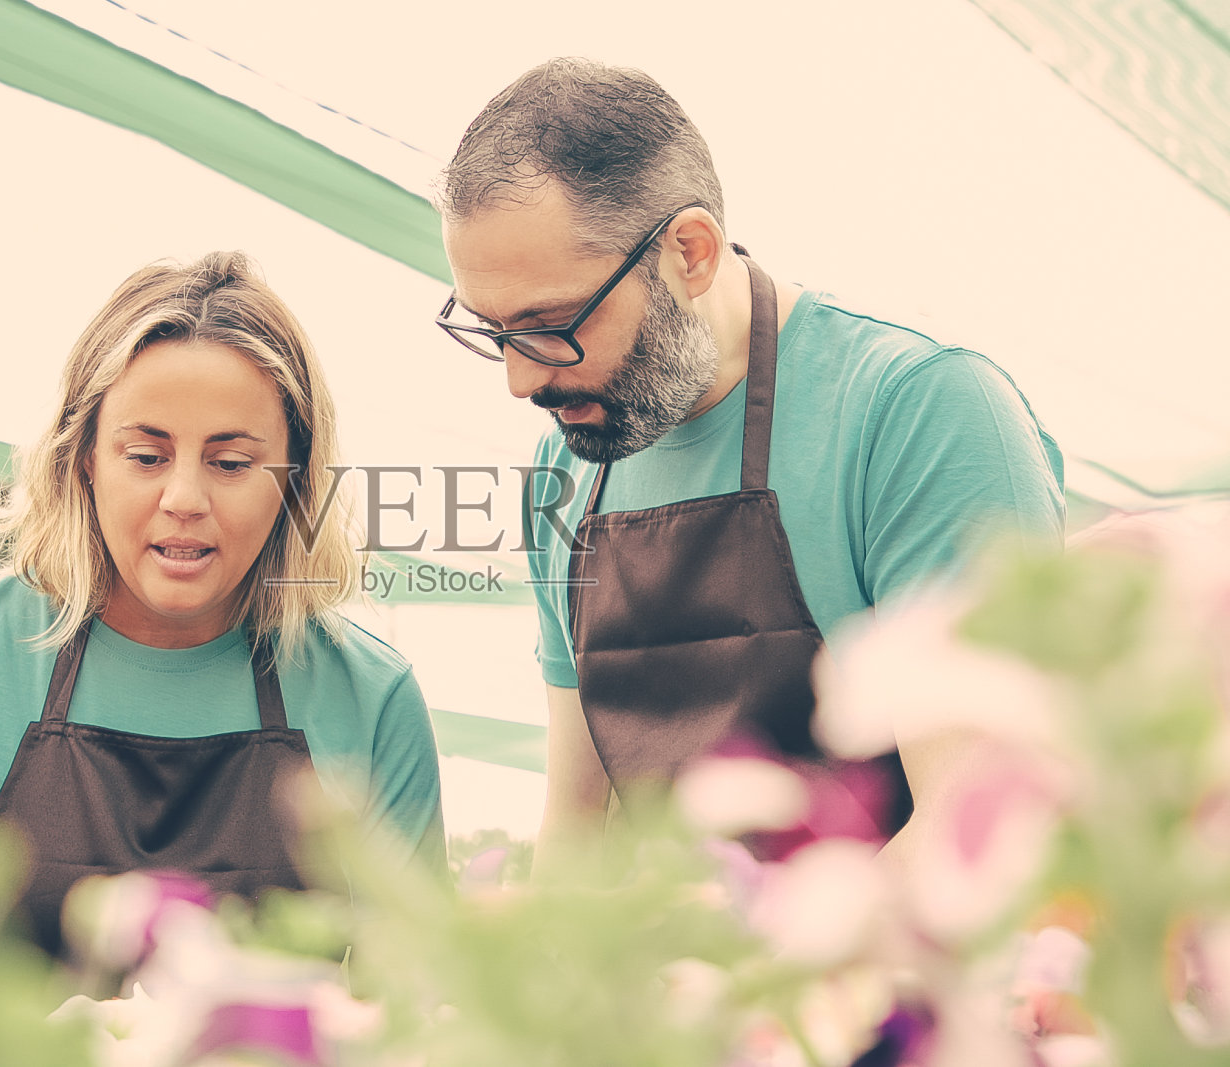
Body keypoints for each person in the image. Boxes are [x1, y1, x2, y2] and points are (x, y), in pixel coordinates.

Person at [432, 59, 1065, 873]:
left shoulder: (919, 413)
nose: (522, 380)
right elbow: (578, 838)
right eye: (493, 332)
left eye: (552, 324)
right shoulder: (564, 475)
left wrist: (751, 981)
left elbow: (979, 832)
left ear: (690, 252)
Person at [0, 251, 447, 955]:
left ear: (294, 479)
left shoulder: (370, 698)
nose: (185, 499)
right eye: (146, 454)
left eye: (230, 463)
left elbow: (418, 1002)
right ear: (84, 459)